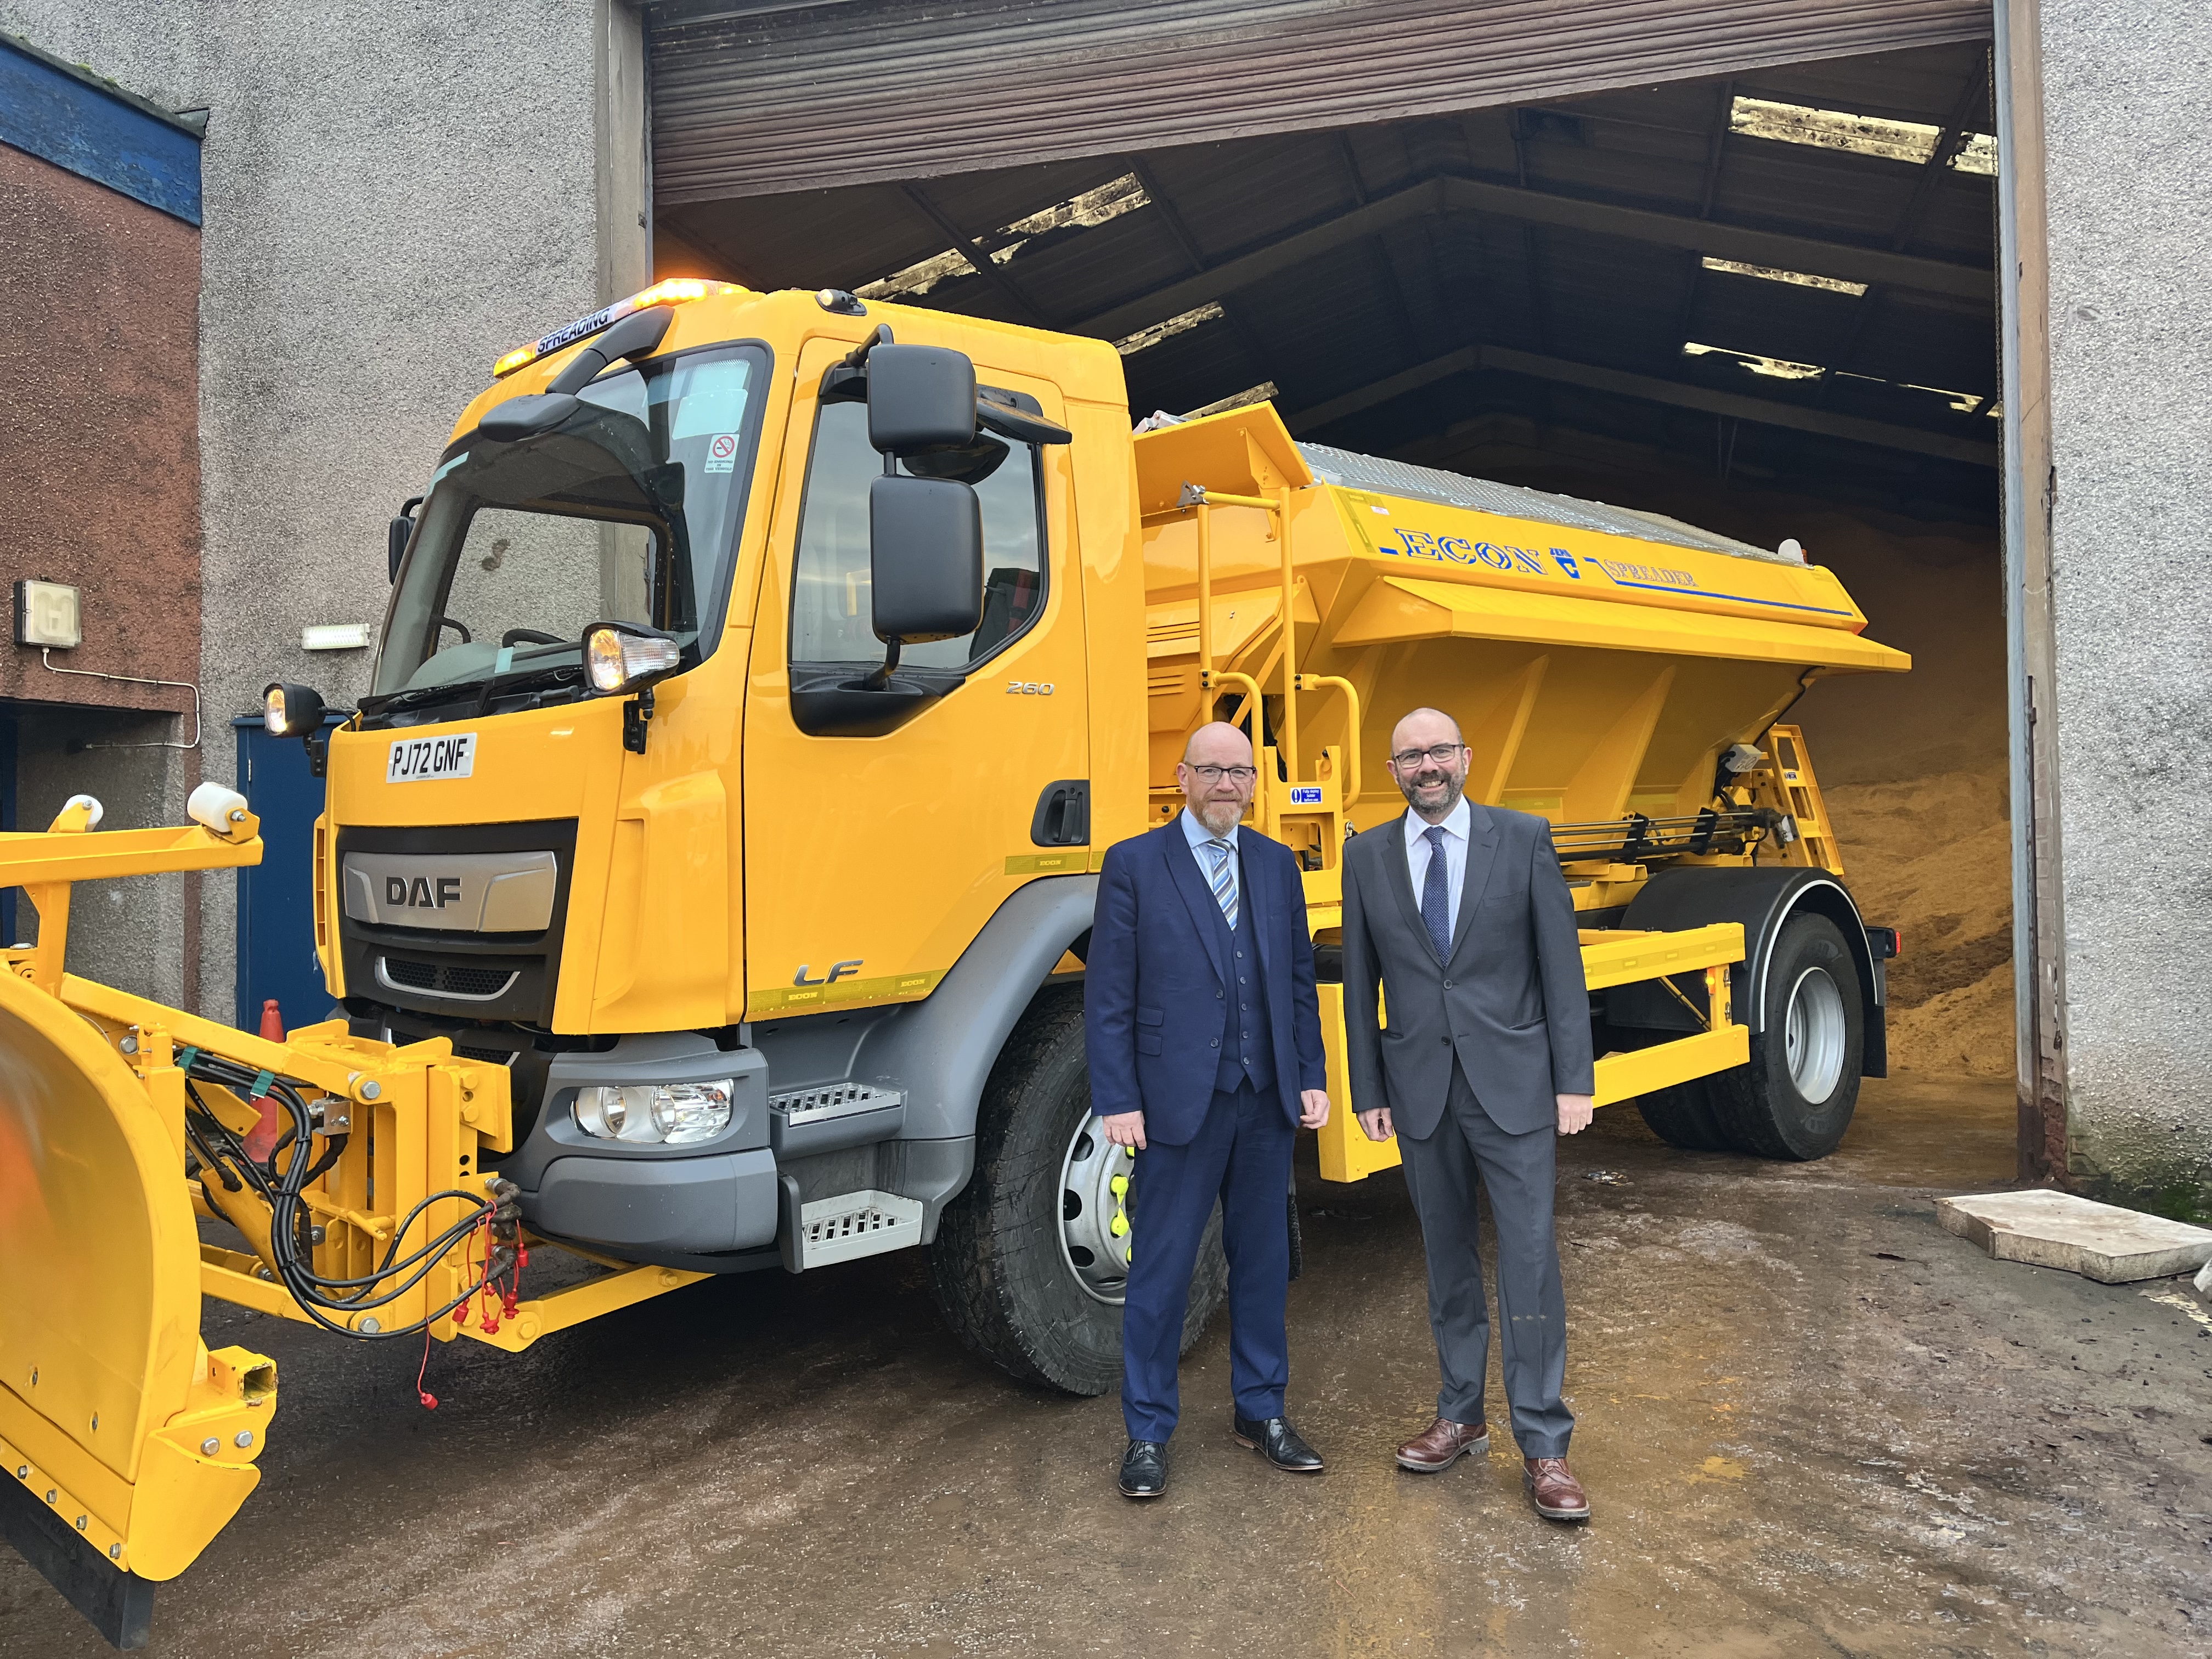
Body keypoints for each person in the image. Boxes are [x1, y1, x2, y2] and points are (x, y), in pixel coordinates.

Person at [1339, 706, 1597, 1522]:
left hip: (1515, 1084)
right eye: (1410, 756)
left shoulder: (1522, 839)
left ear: (1466, 758)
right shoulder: (1366, 856)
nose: (1427, 766)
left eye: (1439, 751)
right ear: (1393, 770)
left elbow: (1562, 967)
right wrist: (1368, 1091)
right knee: (1445, 1257)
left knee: (1527, 1258)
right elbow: (1358, 985)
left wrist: (1574, 1081)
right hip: (1420, 1090)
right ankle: (1460, 1413)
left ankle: (1546, 1446)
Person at [1085, 720, 1331, 1499]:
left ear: (1255, 784)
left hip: (1264, 1102)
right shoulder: (1133, 864)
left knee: (1262, 1266)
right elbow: (1109, 998)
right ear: (1183, 778)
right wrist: (1118, 1099)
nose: (1227, 785)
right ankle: (1149, 1430)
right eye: (1212, 771)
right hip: (1174, 1108)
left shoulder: (1274, 863)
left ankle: (1261, 1412)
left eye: (1241, 773)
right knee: (1161, 1270)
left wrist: (1311, 1075)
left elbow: (1296, 980)